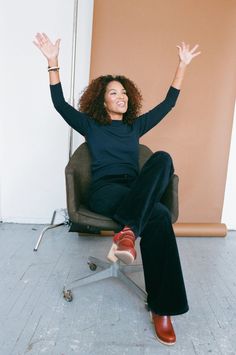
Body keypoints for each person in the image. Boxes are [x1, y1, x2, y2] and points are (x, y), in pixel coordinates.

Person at [33, 32, 200, 346]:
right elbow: (58, 103)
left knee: (163, 158)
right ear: (102, 99)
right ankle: (163, 309)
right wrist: (53, 61)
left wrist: (183, 65)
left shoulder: (134, 126)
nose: (121, 96)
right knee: (160, 215)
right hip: (105, 191)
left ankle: (127, 233)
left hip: (135, 190)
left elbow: (169, 103)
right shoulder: (91, 125)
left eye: (124, 92)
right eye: (113, 93)